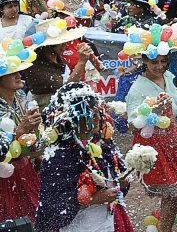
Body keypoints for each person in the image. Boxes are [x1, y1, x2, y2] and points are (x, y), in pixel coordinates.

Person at [124, 26, 177, 232]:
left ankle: (164, 227)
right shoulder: (138, 88)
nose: (160, 66)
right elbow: (131, 124)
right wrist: (152, 113)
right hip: (154, 145)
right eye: (154, 62)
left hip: (173, 139)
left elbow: (176, 105)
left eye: (164, 61)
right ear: (144, 61)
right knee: (174, 192)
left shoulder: (169, 78)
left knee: (175, 193)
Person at [36, 82, 132, 231]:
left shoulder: (104, 144)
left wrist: (121, 183)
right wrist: (94, 199)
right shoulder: (59, 157)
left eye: (97, 110)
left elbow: (115, 181)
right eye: (89, 113)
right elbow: (53, 211)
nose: (97, 117)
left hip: (108, 222)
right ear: (72, 119)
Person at [0, 47, 40, 224]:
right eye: (11, 72)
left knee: (35, 218)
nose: (18, 75)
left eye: (18, 70)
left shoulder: (21, 96)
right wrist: (20, 131)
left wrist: (36, 128)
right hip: (3, 176)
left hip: (25, 169)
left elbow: (34, 140)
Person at [25, 18, 93, 109]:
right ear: (49, 46)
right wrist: (82, 62)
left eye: (66, 42)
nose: (66, 45)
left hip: (61, 110)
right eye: (61, 43)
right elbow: (65, 90)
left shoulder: (58, 59)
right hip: (46, 113)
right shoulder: (36, 66)